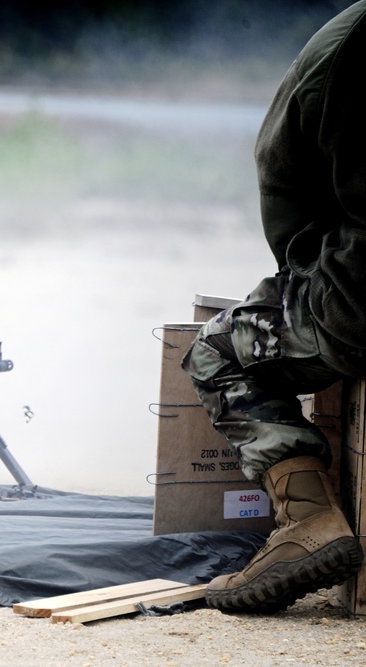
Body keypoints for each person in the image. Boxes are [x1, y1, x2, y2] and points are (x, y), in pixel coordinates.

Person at [182, 1, 366, 614]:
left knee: (215, 349)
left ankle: (309, 520)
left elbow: (305, 199)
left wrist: (307, 281)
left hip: (359, 291)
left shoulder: (353, 44)